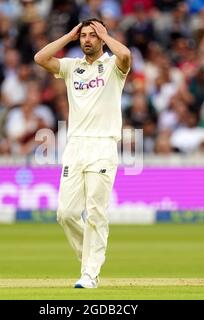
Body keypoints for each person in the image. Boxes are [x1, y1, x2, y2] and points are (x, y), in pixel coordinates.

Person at [34, 18, 131, 289]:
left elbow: (125, 54)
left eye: (93, 35)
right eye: (84, 35)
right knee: (65, 213)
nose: (87, 39)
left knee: (96, 212)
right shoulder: (71, 67)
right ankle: (88, 260)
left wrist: (107, 35)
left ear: (101, 37)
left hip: (103, 145)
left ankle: (90, 272)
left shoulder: (113, 66)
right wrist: (68, 36)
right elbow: (40, 57)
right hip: (75, 146)